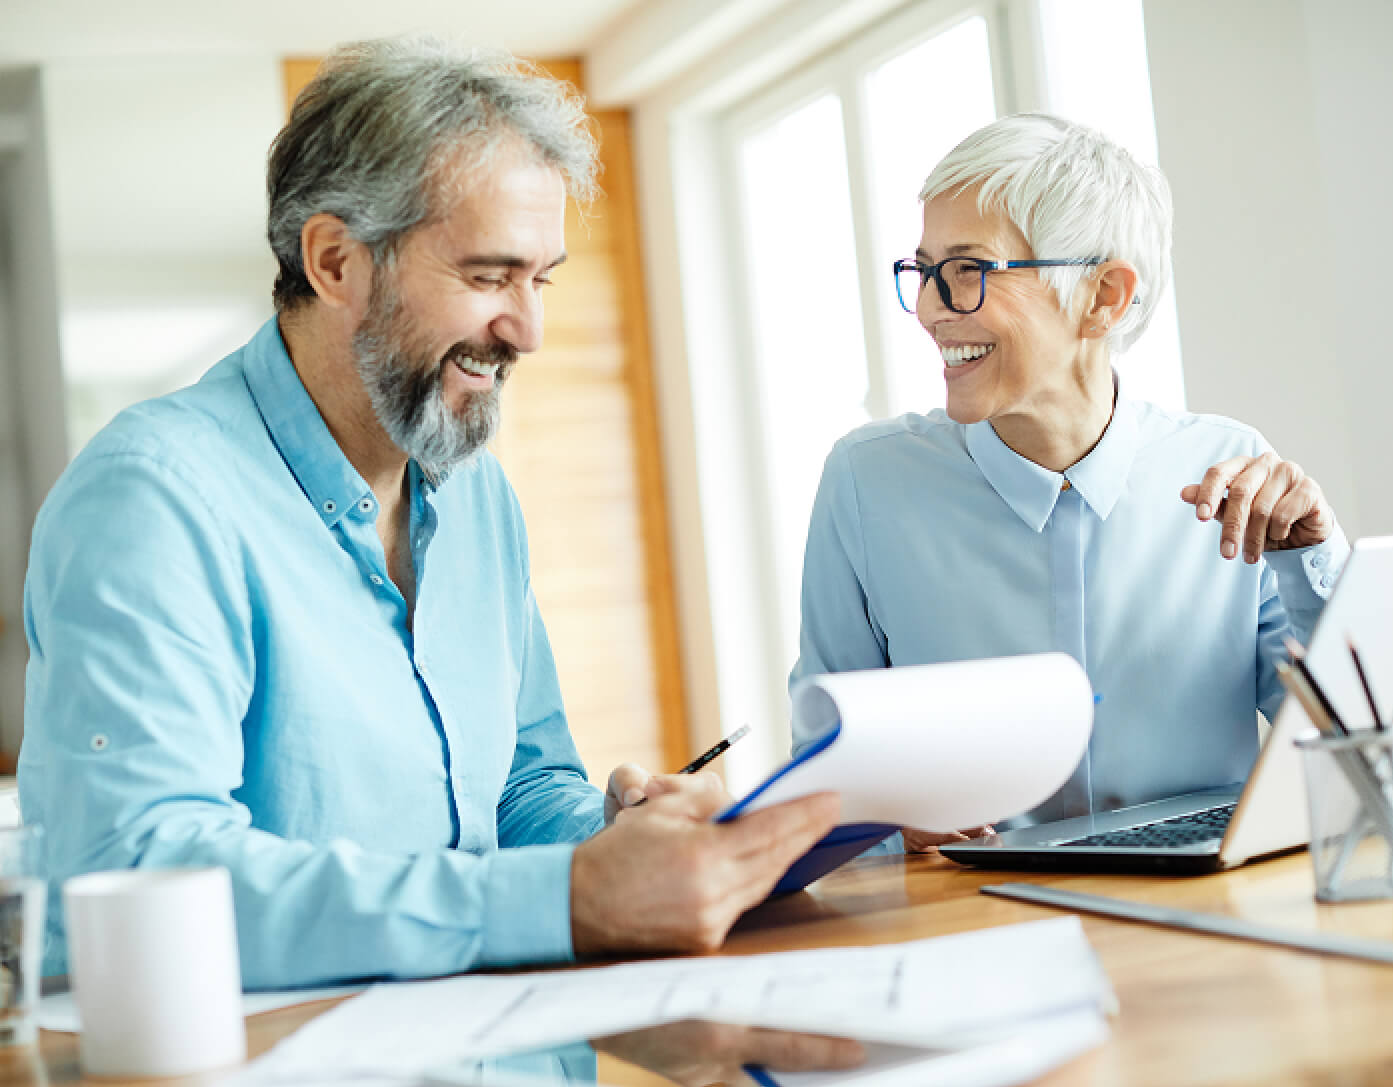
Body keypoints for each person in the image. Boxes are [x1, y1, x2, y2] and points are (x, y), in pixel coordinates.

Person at [19, 37, 838, 988]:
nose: (527, 330)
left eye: (543, 280)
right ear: (335, 262)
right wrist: (567, 899)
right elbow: (141, 873)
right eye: (490, 277)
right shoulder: (153, 498)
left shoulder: (474, 491)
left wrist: (611, 841)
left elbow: (520, 790)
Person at [790, 114, 1347, 852]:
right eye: (924, 272)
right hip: (976, 918)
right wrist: (888, 824)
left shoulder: (1230, 474)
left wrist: (1312, 559)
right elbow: (821, 784)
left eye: (968, 271)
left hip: (1209, 916)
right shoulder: (867, 484)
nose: (928, 309)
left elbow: (1360, 745)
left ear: (1105, 297)